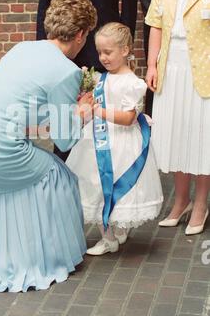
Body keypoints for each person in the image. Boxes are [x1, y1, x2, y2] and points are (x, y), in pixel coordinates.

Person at [0, 0, 97, 292]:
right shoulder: (66, 71)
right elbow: (65, 138)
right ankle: (46, 258)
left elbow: (22, 112)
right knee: (59, 176)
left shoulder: (22, 48)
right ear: (81, 34)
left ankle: (8, 255)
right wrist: (82, 112)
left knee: (32, 173)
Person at [37, 0, 137, 162]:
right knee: (65, 114)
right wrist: (44, 49)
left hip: (102, 50)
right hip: (65, 49)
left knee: (98, 113)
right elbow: (44, 0)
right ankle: (64, 165)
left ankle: (97, 171)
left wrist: (124, 51)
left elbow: (128, 5)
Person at [66, 23, 163, 255]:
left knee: (117, 185)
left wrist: (100, 112)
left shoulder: (132, 84)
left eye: (108, 52)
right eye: (100, 52)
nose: (103, 57)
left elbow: (129, 118)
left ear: (125, 50)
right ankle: (108, 236)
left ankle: (116, 233)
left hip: (121, 143)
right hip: (97, 140)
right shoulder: (101, 78)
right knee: (97, 185)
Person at [145, 0, 210, 236]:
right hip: (171, 68)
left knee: (201, 138)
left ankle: (201, 204)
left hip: (203, 71)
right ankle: (180, 200)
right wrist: (152, 65)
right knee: (178, 137)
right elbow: (155, 24)